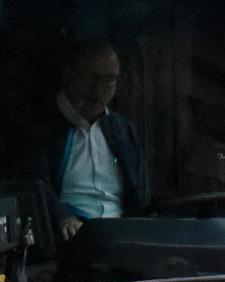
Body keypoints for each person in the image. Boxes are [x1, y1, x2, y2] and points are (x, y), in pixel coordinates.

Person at [39, 37, 148, 239]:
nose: (98, 90)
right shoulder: (40, 126)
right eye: (90, 79)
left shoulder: (123, 130)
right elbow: (36, 188)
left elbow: (140, 195)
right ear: (67, 75)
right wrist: (61, 217)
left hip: (122, 235)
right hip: (67, 238)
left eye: (109, 81)